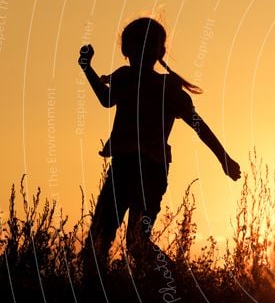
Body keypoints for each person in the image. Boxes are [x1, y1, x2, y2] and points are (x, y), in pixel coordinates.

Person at [78, 17, 241, 278]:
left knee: (135, 241)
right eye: (137, 43)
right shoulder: (124, 78)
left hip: (151, 172)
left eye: (149, 44)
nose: (143, 49)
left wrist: (224, 158)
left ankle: (174, 281)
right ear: (126, 50)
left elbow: (198, 125)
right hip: (122, 168)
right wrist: (87, 69)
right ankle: (95, 293)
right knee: (99, 237)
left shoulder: (169, 89)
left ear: (160, 52)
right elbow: (106, 99)